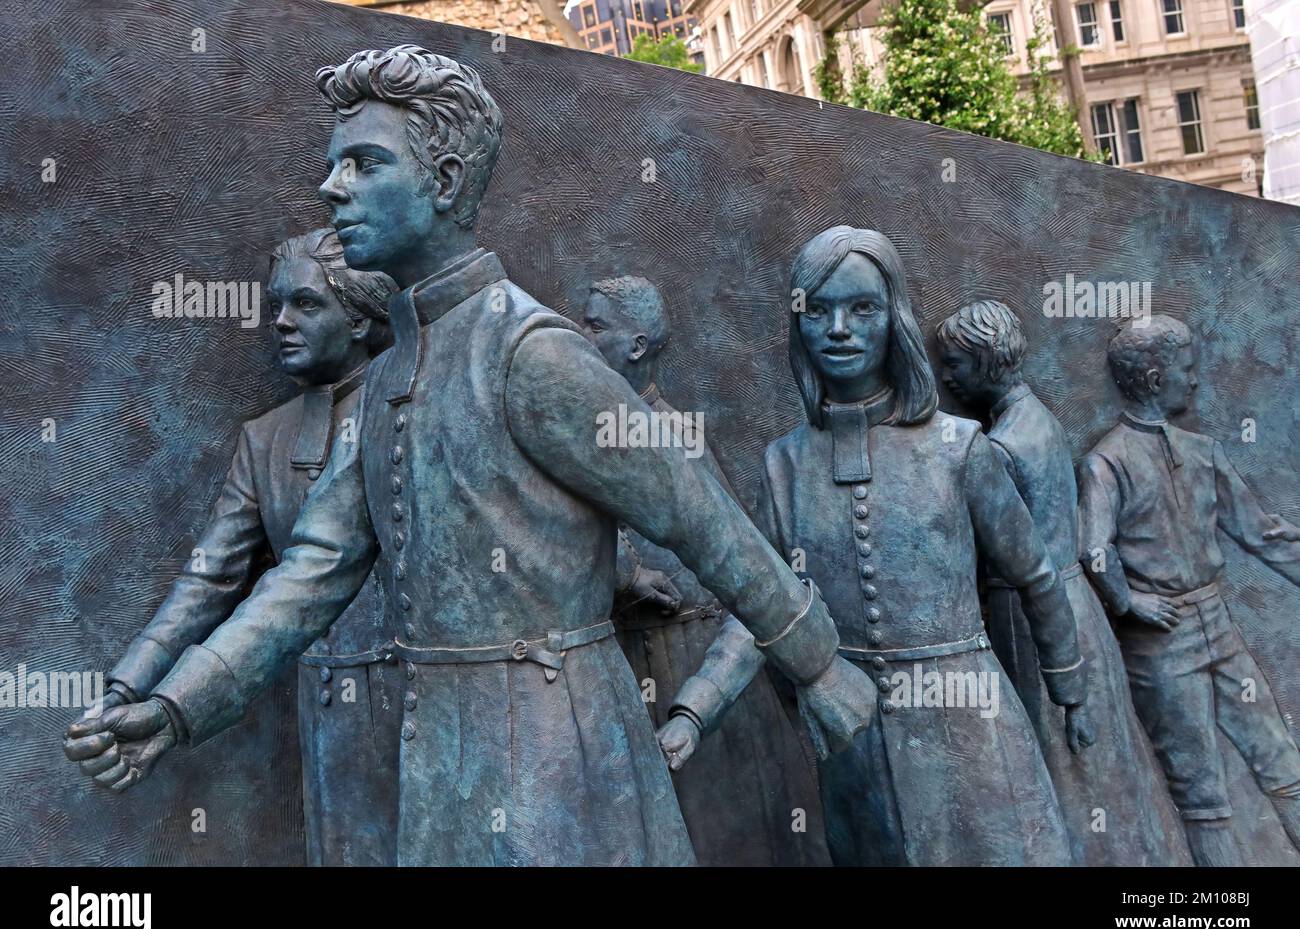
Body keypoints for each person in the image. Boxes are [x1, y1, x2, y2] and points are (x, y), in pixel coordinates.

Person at [64, 46, 874, 866]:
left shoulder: (531, 353)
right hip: (443, 765)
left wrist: (819, 666)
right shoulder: (387, 381)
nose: (331, 187)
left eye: (363, 163)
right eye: (333, 165)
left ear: (445, 181)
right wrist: (175, 709)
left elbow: (700, 517)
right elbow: (309, 576)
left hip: (566, 763)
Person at [663, 226, 1094, 865]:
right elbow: (760, 609)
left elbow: (1035, 575)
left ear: (896, 320)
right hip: (855, 744)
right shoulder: (785, 464)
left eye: (863, 308)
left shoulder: (959, 448)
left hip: (968, 725)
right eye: (820, 310)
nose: (840, 328)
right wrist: (693, 710)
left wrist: (1069, 688)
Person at [73, 228, 400, 865]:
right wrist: (127, 689)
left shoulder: (419, 411)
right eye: (276, 305)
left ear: (361, 319)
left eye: (306, 305)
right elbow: (208, 580)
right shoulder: (265, 440)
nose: (281, 322)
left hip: (428, 702)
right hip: (330, 712)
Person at [582, 274, 829, 866]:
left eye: (594, 325)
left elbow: (733, 569)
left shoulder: (670, 436)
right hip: (630, 662)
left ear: (637, 346)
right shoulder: (600, 426)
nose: (579, 334)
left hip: (684, 666)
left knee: (717, 838)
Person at [935, 300, 1189, 866]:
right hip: (1075, 605)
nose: (946, 376)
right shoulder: (1039, 420)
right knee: (1102, 760)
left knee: (1060, 760)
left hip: (1031, 617)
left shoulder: (1000, 445)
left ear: (987, 362)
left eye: (955, 363)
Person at [1078, 315, 1300, 866]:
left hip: (1217, 625)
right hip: (1161, 643)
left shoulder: (1202, 452)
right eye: (1187, 370)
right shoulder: (1106, 460)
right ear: (1155, 380)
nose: (1196, 382)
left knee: (1281, 760)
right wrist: (1128, 601)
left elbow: (1264, 534)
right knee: (1201, 790)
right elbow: (1093, 549)